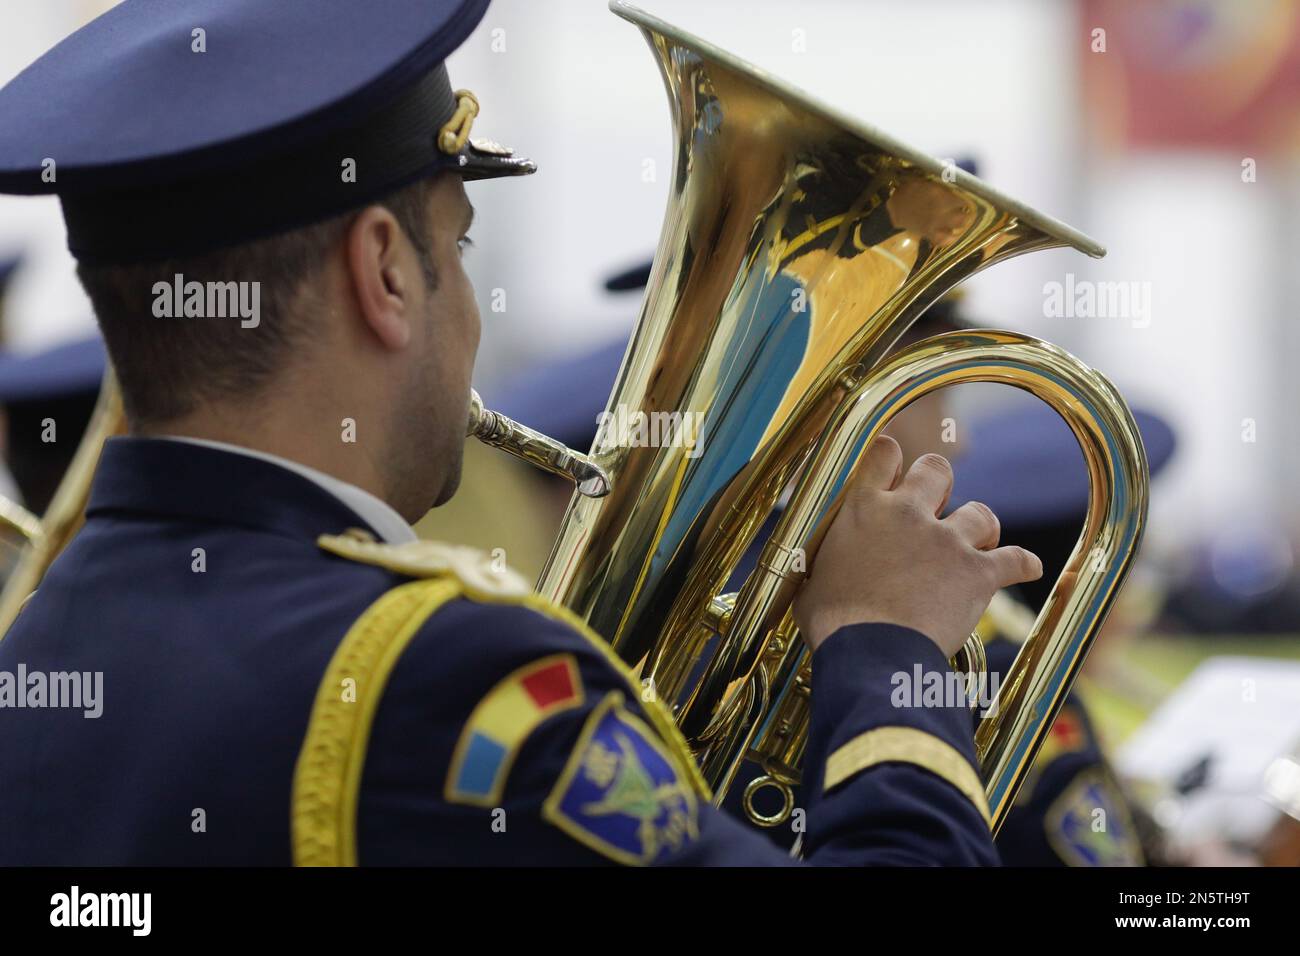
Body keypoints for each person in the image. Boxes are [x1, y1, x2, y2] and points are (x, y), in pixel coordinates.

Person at [0, 0, 1043, 866]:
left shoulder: (35, 647)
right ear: (385, 271)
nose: (471, 310)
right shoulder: (451, 678)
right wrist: (885, 642)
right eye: (458, 247)